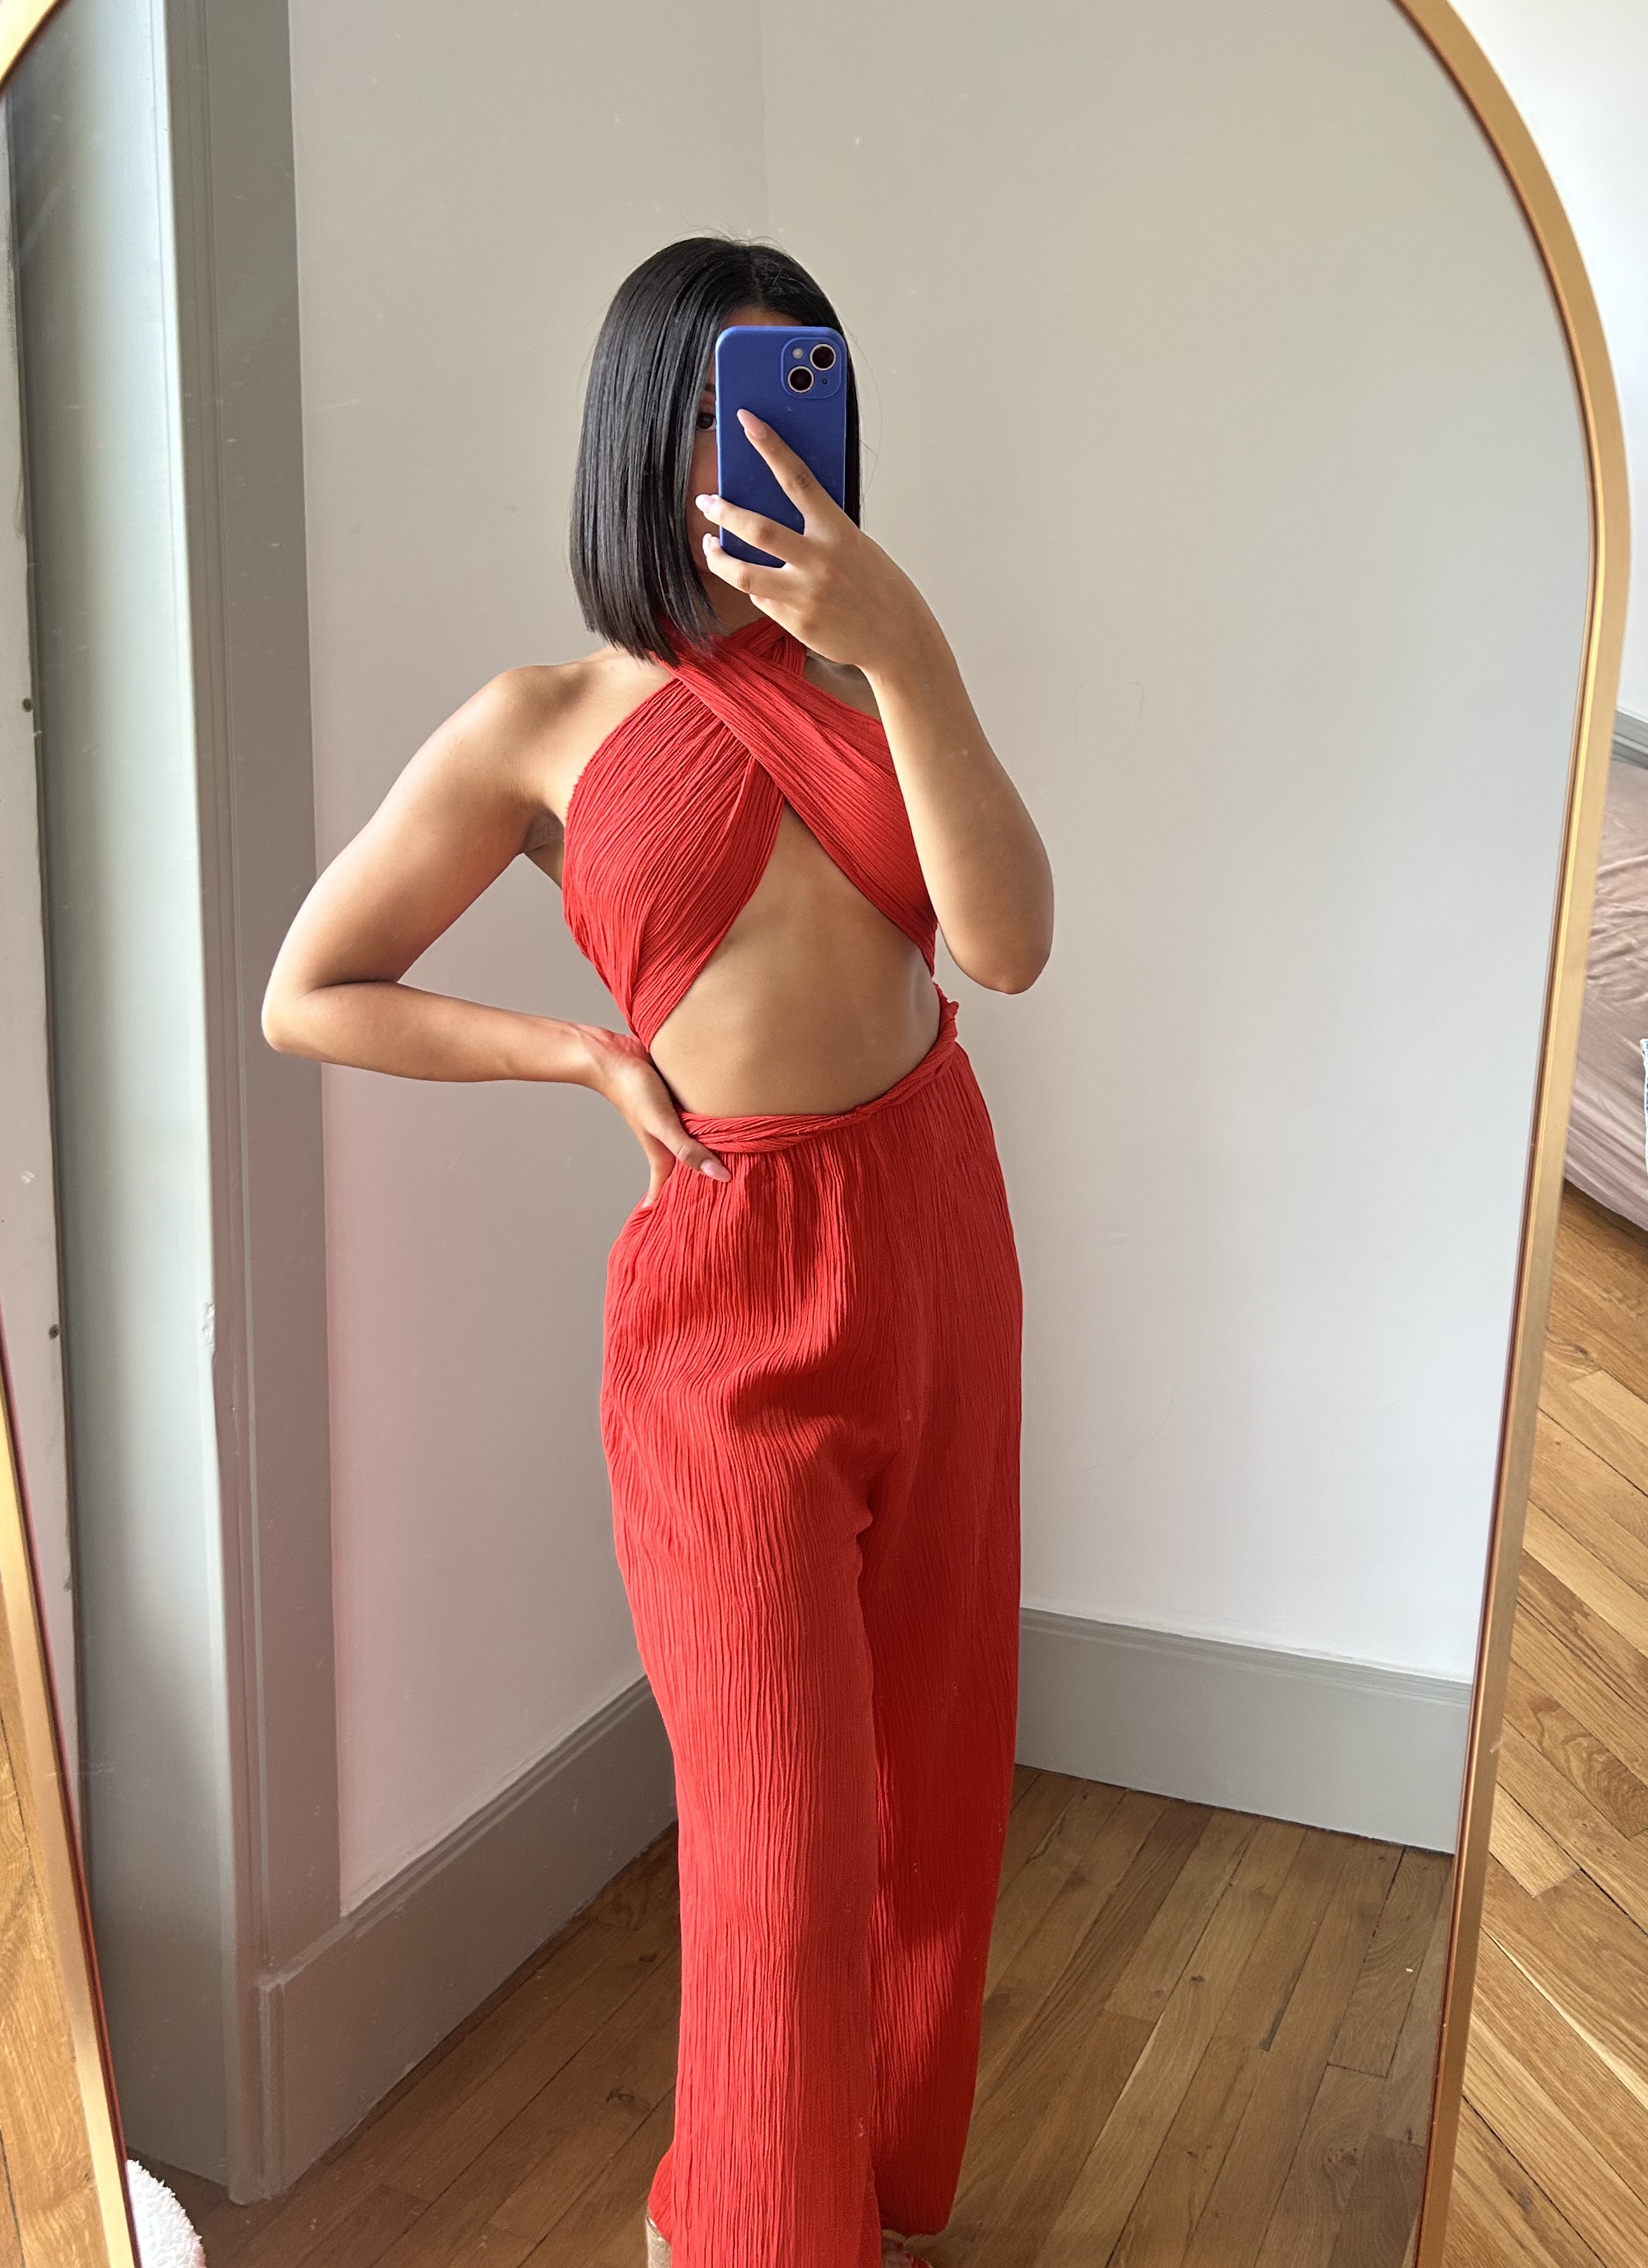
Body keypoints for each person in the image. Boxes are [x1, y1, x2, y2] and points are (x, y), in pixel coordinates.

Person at [261, 236, 1054, 2268]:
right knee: (779, 1845)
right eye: (718, 407)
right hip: (724, 1281)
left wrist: (909, 648)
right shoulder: (536, 723)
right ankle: (741, 2233)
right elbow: (309, 989)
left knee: (937, 1779)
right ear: (643, 429)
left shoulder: (874, 681)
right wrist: (579, 1056)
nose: (760, 448)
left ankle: (884, 2193)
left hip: (934, 1233)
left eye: (800, 397)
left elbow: (1006, 945)